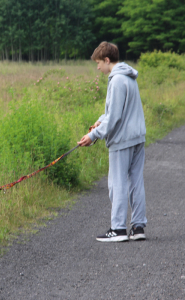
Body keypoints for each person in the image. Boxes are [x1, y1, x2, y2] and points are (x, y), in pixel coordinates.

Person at [78, 42, 147, 242]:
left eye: (99, 63)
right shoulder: (129, 77)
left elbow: (115, 116)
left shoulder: (116, 80)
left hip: (122, 140)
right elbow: (116, 111)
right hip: (137, 137)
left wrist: (93, 135)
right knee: (135, 182)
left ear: (107, 60)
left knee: (116, 183)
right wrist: (100, 120)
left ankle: (117, 230)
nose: (97, 67)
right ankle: (138, 226)